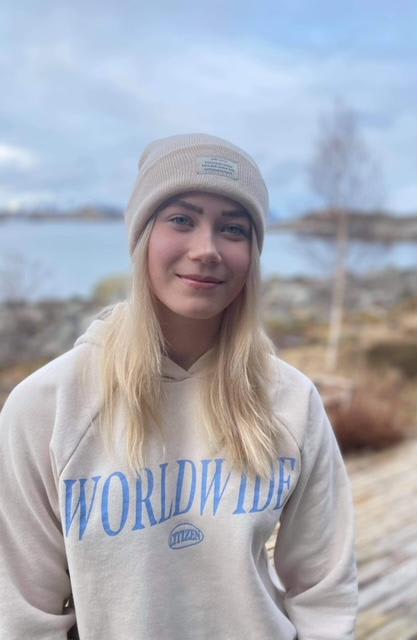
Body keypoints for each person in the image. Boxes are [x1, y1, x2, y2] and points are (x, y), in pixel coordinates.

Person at [0, 133, 358, 639]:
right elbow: (23, 616)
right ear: (142, 236)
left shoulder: (290, 400)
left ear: (253, 253)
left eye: (232, 229)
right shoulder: (47, 407)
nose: (206, 250)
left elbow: (325, 589)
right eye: (181, 220)